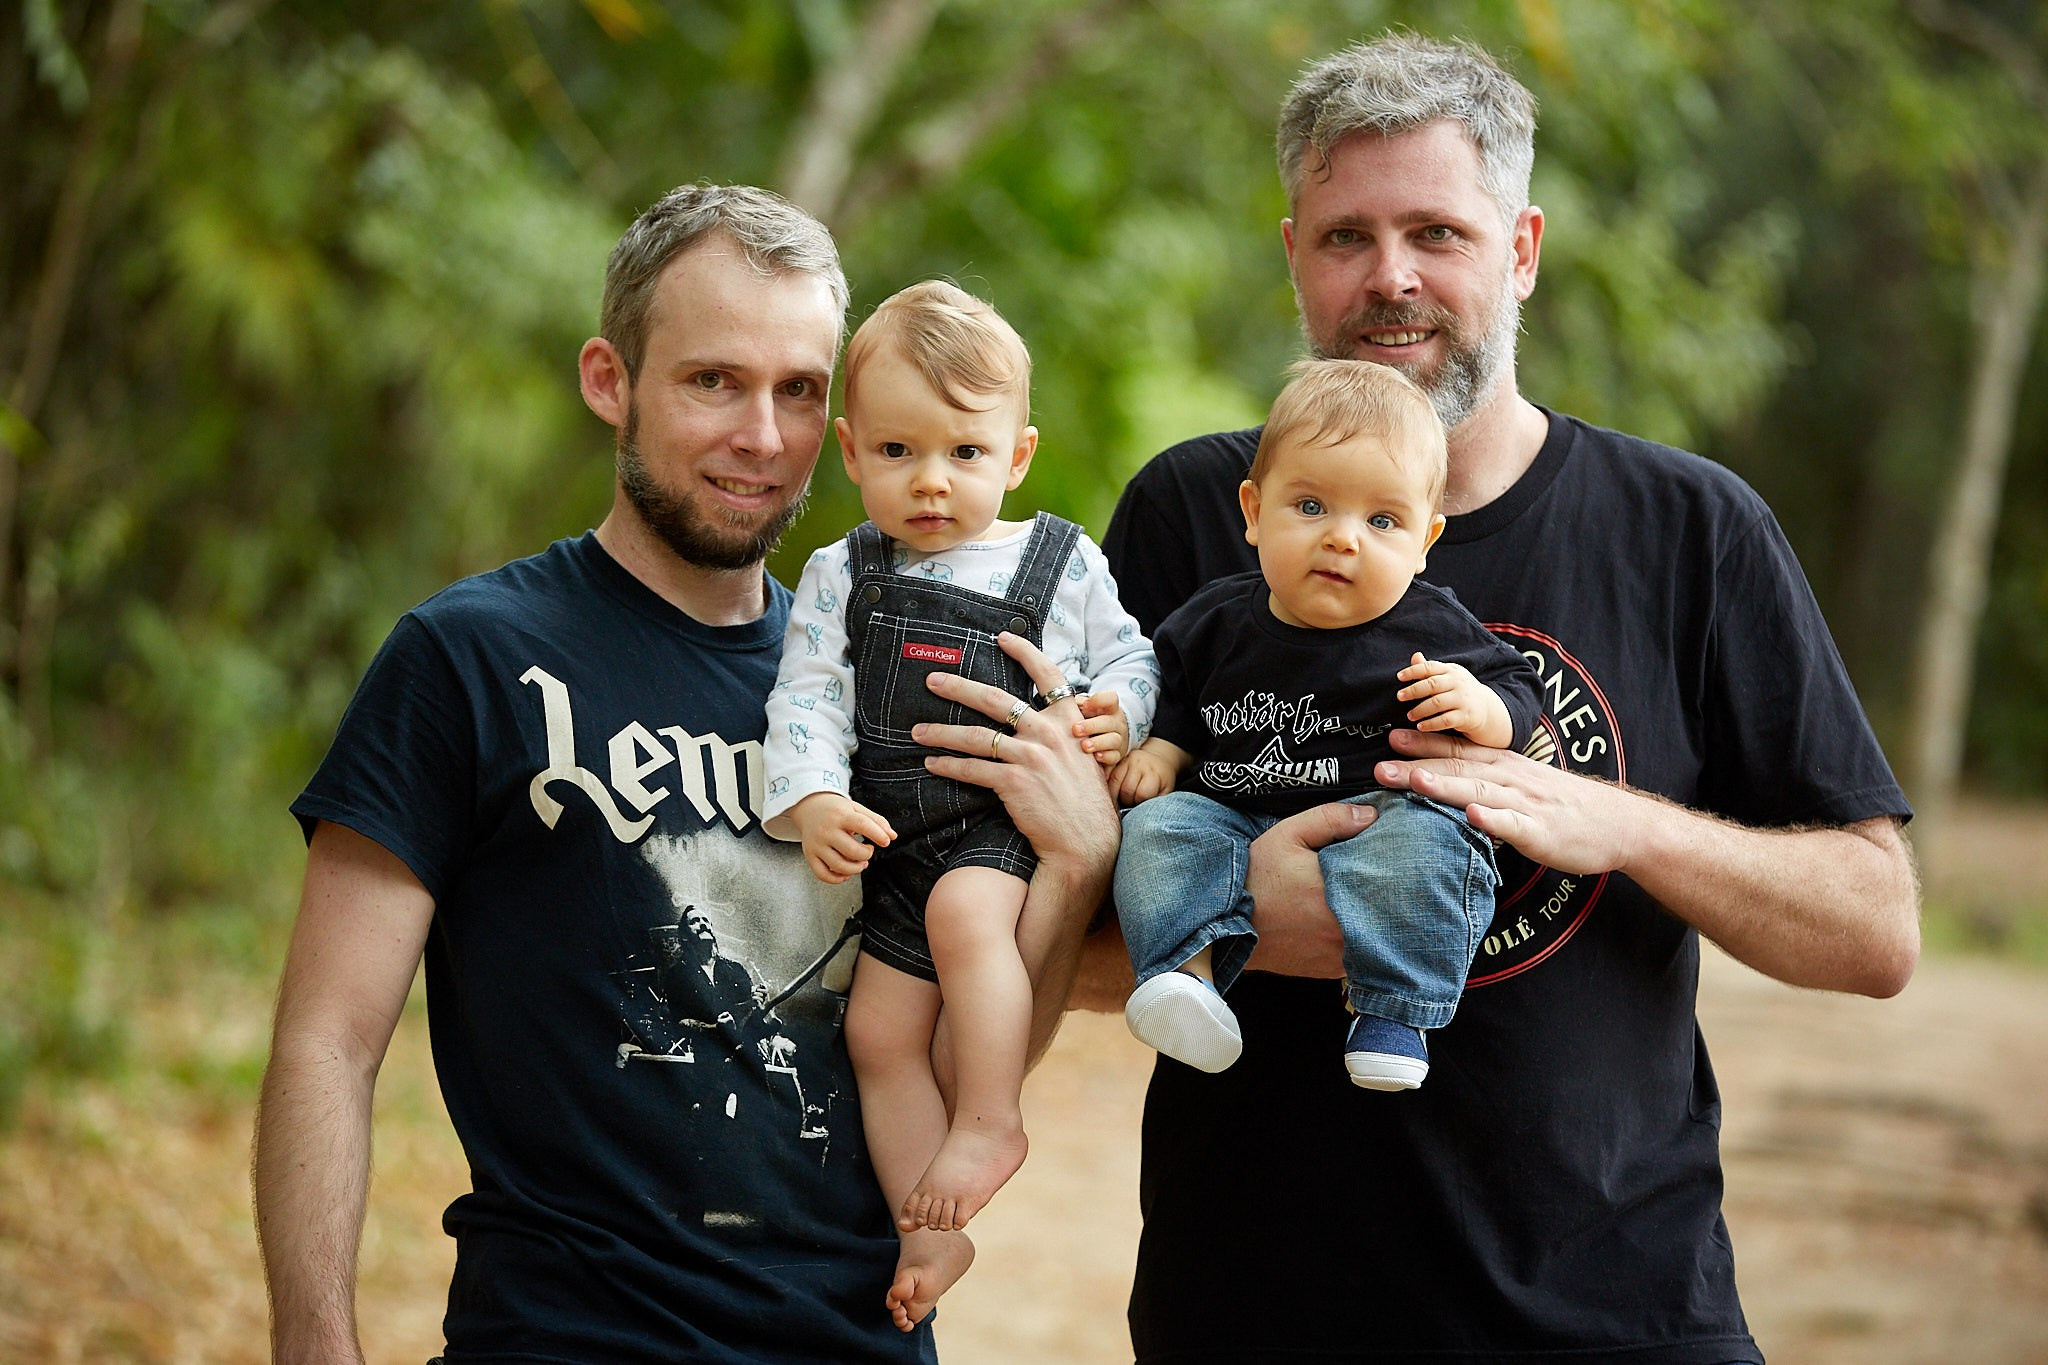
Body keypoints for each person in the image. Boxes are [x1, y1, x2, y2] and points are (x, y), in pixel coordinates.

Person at [1091, 33, 1920, 1364]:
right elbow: (1047, 908)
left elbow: (1876, 932)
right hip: (1253, 1314)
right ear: (1292, 253)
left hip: (1617, 1320)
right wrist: (1242, 909)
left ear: (1521, 248)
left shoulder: (1691, 529)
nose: (1391, 278)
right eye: (1346, 236)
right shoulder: (1197, 513)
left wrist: (1624, 824)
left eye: (1438, 231)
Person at [250, 183, 1119, 1365]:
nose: (762, 436)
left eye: (799, 391)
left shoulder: (889, 677)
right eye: (713, 380)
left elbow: (971, 1056)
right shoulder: (470, 656)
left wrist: (1072, 860)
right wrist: (314, 1340)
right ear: (611, 380)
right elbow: (327, 1042)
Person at [761, 279, 1156, 1323]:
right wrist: (808, 802)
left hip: (995, 835)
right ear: (851, 453)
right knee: (878, 1037)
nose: (930, 482)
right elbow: (806, 695)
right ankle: (927, 1234)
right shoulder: (841, 572)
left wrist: (1114, 711)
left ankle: (988, 1118)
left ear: (1016, 455)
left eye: (964, 454)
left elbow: (1129, 656)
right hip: (891, 845)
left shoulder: (1059, 561)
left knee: (961, 916)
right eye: (897, 454)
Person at [1111, 357, 1541, 1089]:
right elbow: (1178, 686)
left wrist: (1483, 706)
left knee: (1431, 839)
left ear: (1424, 539)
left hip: (1376, 812)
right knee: (1161, 828)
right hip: (1233, 813)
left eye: (1382, 520)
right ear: (1252, 511)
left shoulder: (1430, 623)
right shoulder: (1216, 616)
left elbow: (1517, 689)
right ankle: (1186, 978)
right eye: (1311, 507)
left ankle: (1392, 1010)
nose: (1343, 538)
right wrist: (1163, 748)